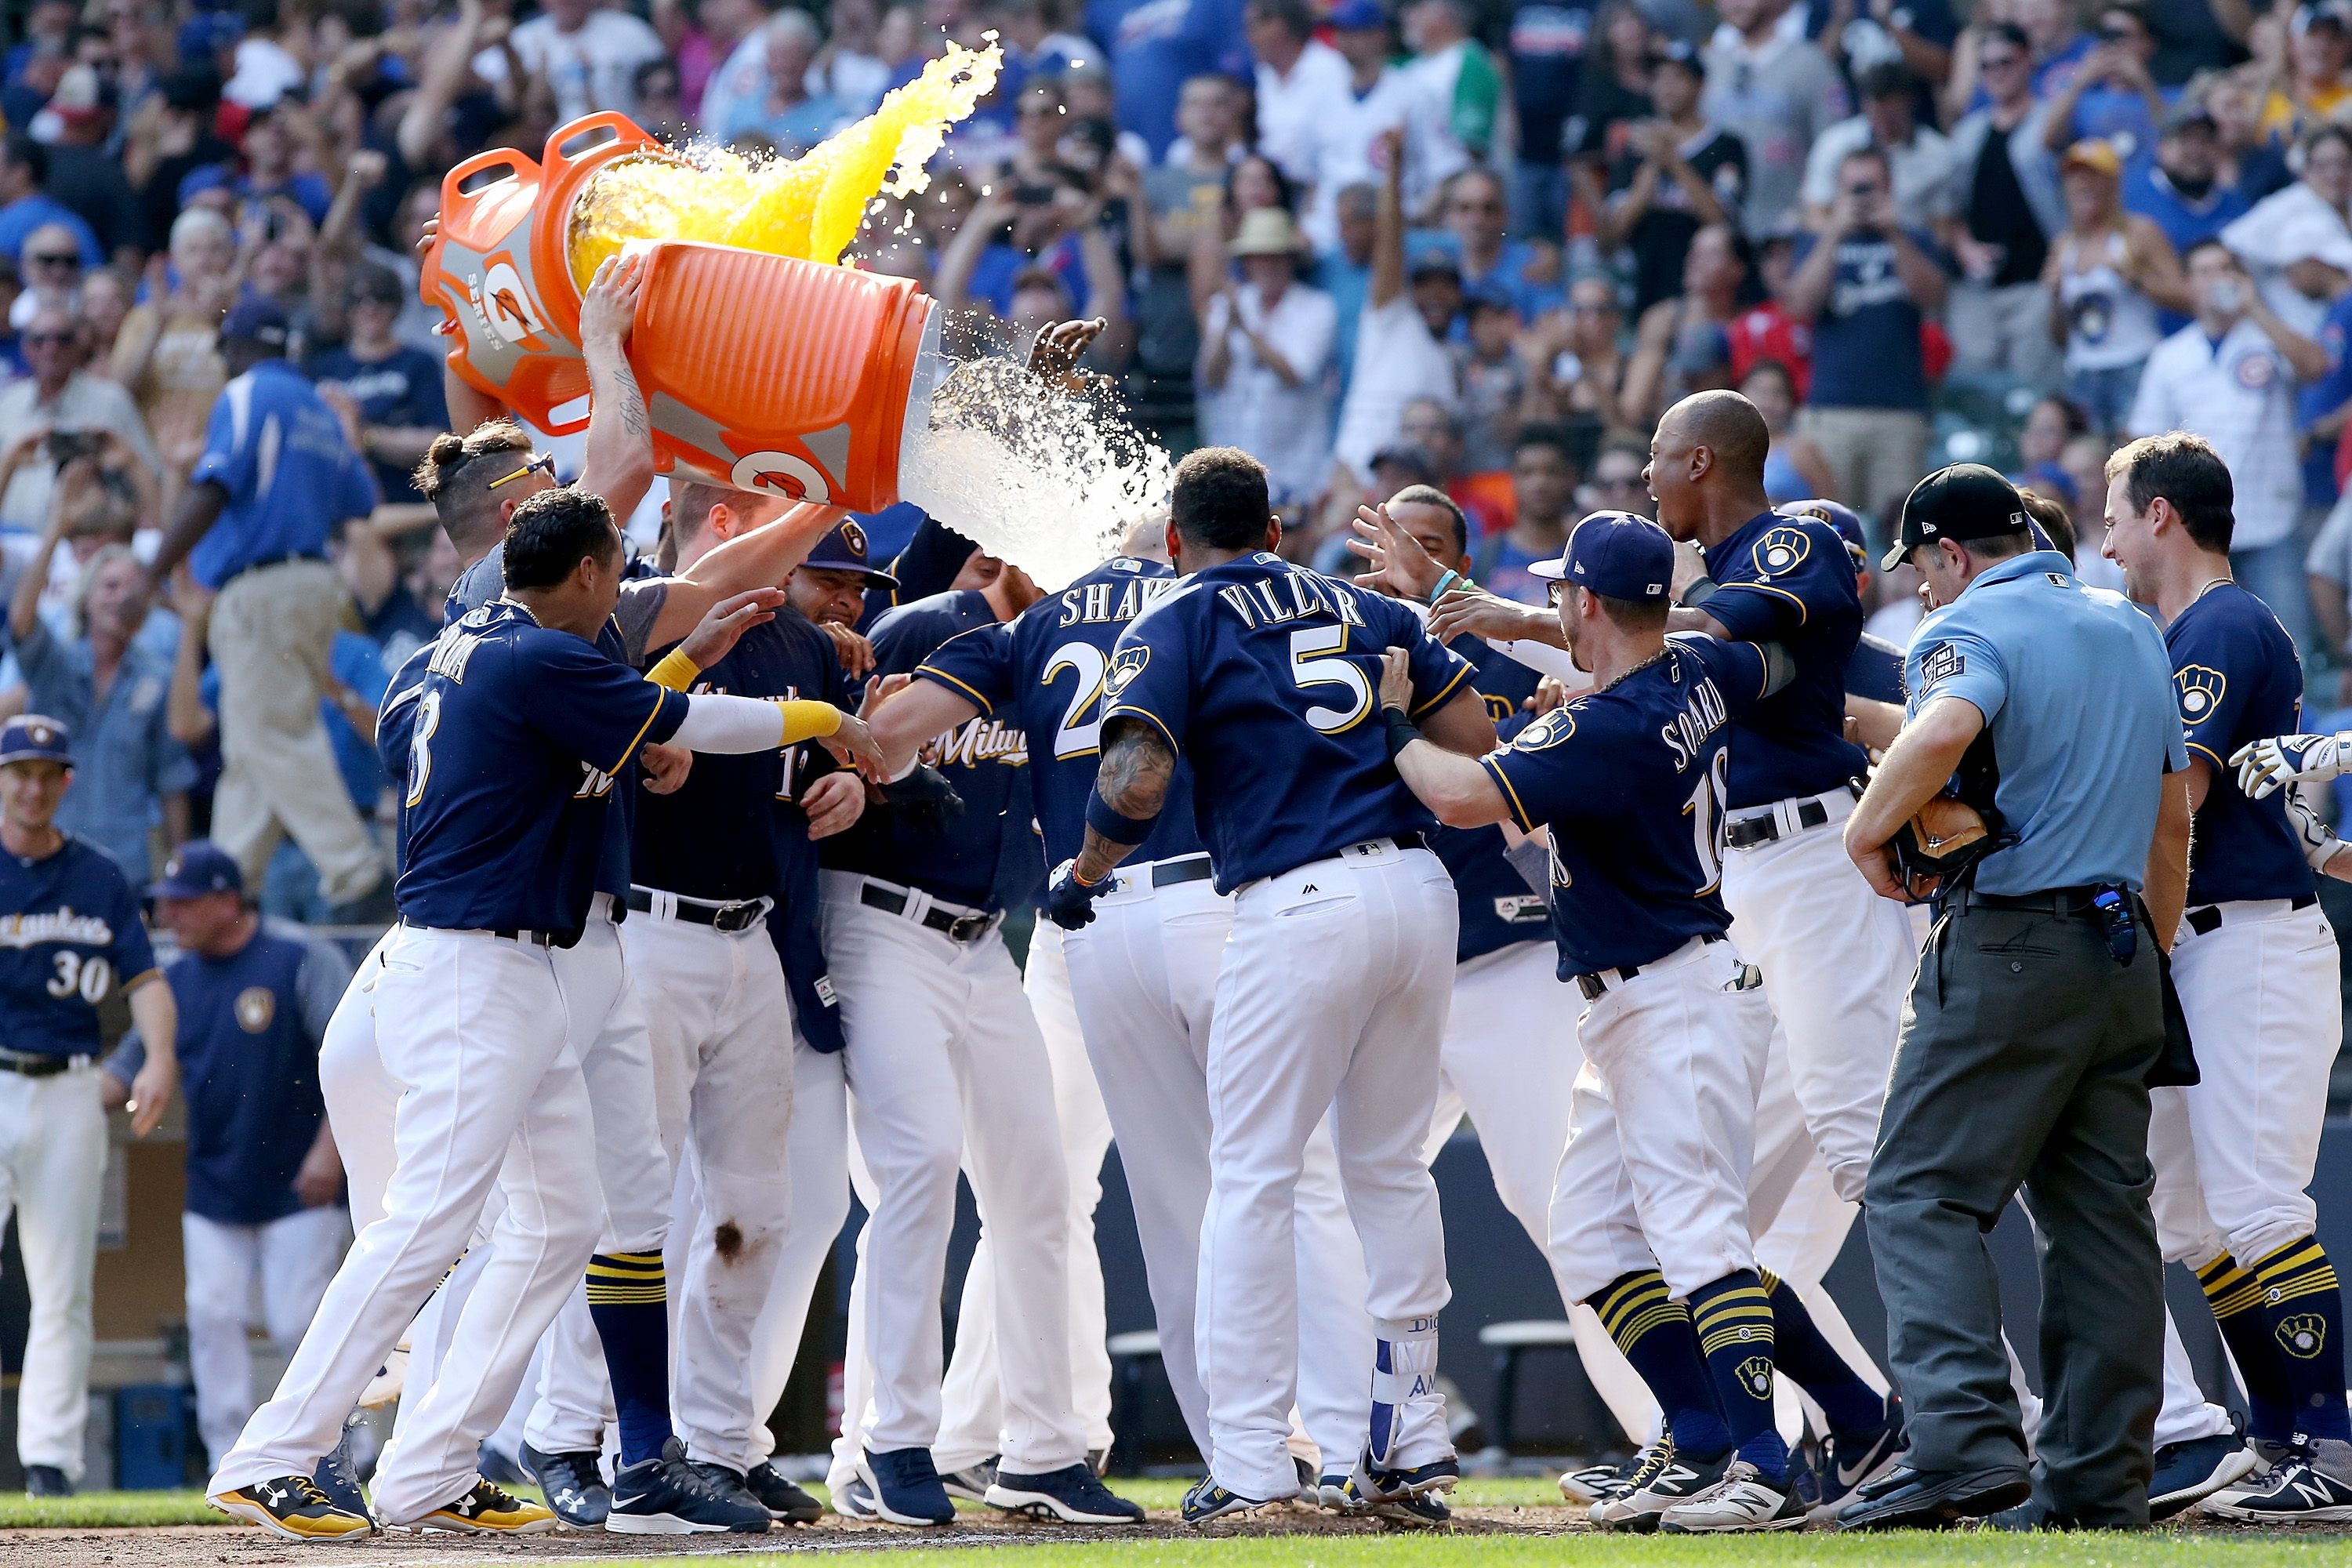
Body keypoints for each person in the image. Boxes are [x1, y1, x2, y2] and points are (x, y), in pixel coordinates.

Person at [203, 486, 880, 1541]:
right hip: (477, 967)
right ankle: (274, 1453)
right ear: (588, 575)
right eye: (613, 571)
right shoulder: (542, 657)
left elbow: (600, 723)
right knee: (427, 1225)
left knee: (566, 1215)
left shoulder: (451, 655)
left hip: (517, 967)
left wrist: (676, 665)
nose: (619, 591)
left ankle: (429, 1465)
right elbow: (684, 722)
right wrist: (826, 716)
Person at [862, 539, 1377, 1515]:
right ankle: (1350, 1440)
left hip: (1089, 920)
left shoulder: (1031, 623)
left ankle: (1242, 1454)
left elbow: (888, 734)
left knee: (1164, 1201)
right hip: (1229, 900)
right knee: (1291, 1180)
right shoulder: (1215, 605)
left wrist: (864, 729)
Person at [1053, 445, 1494, 1522]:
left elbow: (1137, 772)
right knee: (1389, 1173)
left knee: (1250, 1176)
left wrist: (1086, 871)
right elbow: (1476, 742)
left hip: (1296, 902)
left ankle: (1250, 1462)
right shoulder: (1366, 611)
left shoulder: (1174, 617)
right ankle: (1410, 1438)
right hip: (1417, 891)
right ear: (1275, 531)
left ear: (1175, 540)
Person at [1377, 510, 1806, 1531]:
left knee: (1699, 1234)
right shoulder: (1692, 672)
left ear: (1588, 603)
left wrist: (1392, 717)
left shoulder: (1603, 725)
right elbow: (1774, 663)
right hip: (1643, 992)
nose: (1559, 604)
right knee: (1590, 1238)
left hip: (1676, 992)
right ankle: (1698, 1440)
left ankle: (1762, 1461)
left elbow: (1463, 796)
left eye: (1565, 592)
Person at [1838, 462, 2189, 1531]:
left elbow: (1943, 729)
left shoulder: (1970, 625)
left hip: (2012, 941)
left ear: (1952, 553)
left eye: (1926, 569)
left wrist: (1864, 833)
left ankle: (1963, 1447)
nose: (1924, 592)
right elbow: (2174, 819)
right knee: (2100, 1219)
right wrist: (2144, 952)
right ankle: (2096, 1482)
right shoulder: (2126, 622)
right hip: (2122, 944)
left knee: (1916, 1189)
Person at [811, 526, 1118, 1528]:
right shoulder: (921, 630)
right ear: (1012, 551)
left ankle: (1040, 1450)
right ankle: (882, 1442)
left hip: (986, 945)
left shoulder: (1068, 652)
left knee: (1040, 1186)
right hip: (879, 919)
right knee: (915, 1172)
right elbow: (850, 755)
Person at [2100, 432, 2352, 1524]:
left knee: (2254, 1202)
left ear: (2161, 515)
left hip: (2247, 937)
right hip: (2201, 939)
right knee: (2192, 1217)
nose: (2104, 537)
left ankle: (2329, 1444)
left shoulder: (2221, 622)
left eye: (2113, 513)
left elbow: (2180, 797)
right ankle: (2279, 1432)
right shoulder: (2184, 629)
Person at [140, 296, 383, 916]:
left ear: (237, 350)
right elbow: (360, 500)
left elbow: (215, 484)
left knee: (273, 736)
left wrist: (155, 568)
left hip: (261, 587)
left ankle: (354, 871)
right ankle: (224, 881)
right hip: (314, 584)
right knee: (251, 745)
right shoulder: (317, 407)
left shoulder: (248, 392)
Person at [0, 712, 175, 1497]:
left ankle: (51, 1461)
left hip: (72, 1086)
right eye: (19, 773)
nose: (34, 786)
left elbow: (146, 981)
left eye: (47, 773)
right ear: (3, 781)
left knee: (63, 1286)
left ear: (66, 782)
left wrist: (159, 1055)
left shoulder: (98, 875)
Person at [136, 842, 351, 1469]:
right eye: (165, 906)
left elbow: (350, 1061)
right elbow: (130, 1067)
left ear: (228, 901)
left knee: (298, 1323)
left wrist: (330, 1153)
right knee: (211, 1318)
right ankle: (228, 1460)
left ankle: (341, 1452)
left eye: (183, 905)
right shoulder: (172, 980)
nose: (169, 919)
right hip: (215, 1186)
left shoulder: (298, 956)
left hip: (301, 1181)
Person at [2128, 238, 2329, 651]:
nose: (2215, 280)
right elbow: (2143, 444)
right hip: (2198, 527)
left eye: (2225, 269)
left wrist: (2254, 307)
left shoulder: (2270, 336)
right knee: (2205, 645)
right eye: (2204, 272)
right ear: (2189, 285)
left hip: (2272, 516)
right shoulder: (2170, 356)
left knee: (2290, 647)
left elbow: (2316, 368)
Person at [6, 464, 191, 886]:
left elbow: (172, 782)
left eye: (133, 590)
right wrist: (58, 528)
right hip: (45, 859)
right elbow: (21, 620)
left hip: (124, 869)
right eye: (109, 587)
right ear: (85, 598)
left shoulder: (156, 678)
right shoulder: (56, 663)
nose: (122, 599)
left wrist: (177, 878)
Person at [1784, 147, 1947, 542]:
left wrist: (1894, 232)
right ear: (1837, 191)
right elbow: (1799, 305)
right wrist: (1833, 234)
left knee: (1903, 535)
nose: (1861, 197)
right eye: (1852, 188)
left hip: (1900, 414)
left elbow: (1934, 296)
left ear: (1889, 188)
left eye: (1869, 187)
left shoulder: (1914, 237)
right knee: (1829, 533)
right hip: (1831, 411)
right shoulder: (1816, 240)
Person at [1334, 128, 1461, 485]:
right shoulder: (1393, 319)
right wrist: (1394, 169)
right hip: (1359, 480)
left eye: (1446, 286)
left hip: (1419, 492)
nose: (1436, 295)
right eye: (1424, 285)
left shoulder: (1456, 357)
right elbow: (1389, 245)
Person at [1944, 22, 2067, 387]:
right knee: (1975, 393)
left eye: (2005, 62)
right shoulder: (1968, 133)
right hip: (1979, 289)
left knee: (2036, 391)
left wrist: (2059, 263)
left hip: (2035, 284)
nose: (1996, 73)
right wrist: (1964, 247)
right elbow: (1950, 210)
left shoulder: (2051, 122)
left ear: (2028, 60)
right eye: (1986, 66)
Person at [2045, 139, 2189, 434]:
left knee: (2135, 456)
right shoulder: (2064, 245)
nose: (2083, 184)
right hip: (2084, 370)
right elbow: (2059, 336)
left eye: (2093, 175)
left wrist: (2136, 278)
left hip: (2134, 363)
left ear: (2112, 184)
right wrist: (2055, 297)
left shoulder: (2137, 234)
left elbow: (2185, 296)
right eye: (2075, 176)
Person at [1196, 208, 1337, 510]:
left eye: (1275, 256)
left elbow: (1296, 373)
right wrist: (1227, 330)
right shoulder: (1227, 305)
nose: (1267, 265)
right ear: (1247, 262)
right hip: (1231, 467)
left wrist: (1245, 329)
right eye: (1259, 256)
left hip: (1296, 469)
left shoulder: (1317, 308)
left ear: (1290, 260)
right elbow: (1210, 378)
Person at [1600, 42, 1746, 319]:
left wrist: (1674, 162)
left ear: (1700, 84)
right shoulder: (1635, 145)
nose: (1666, 87)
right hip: (1641, 286)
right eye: (1659, 78)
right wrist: (1654, 164)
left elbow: (1722, 220)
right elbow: (1611, 233)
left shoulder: (1727, 146)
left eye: (1677, 78)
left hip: (1704, 297)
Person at [0, 303, 162, 532]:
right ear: (26, 347)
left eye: (62, 339)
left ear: (79, 345)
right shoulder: (7, 403)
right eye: (40, 340)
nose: (51, 348)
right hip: (14, 545)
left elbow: (149, 475)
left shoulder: (111, 401)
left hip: (87, 545)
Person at [1700, 0, 1848, 235]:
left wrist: (1811, 209)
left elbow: (1836, 145)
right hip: (1721, 229)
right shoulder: (1708, 63)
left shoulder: (1810, 62)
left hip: (1790, 224)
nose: (1734, 4)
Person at [306, 263, 448, 505]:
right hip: (339, 500)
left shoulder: (419, 363)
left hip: (406, 499)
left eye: (381, 298)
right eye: (359, 299)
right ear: (347, 307)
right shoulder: (324, 367)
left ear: (396, 306)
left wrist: (367, 436)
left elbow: (437, 441)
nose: (370, 308)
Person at [2220, 123, 2352, 339]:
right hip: (2306, 329)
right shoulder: (2283, 206)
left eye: (2344, 164)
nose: (2335, 174)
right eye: (2323, 165)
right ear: (2306, 170)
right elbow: (2228, 247)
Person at [1802, 63, 1958, 237]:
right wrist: (1839, 225)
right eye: (1875, 108)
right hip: (1844, 249)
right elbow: (1814, 216)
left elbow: (1943, 233)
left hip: (1910, 250)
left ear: (1909, 102)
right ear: (1863, 103)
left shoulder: (1938, 154)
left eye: (1891, 112)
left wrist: (1898, 225)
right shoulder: (1834, 144)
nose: (1882, 119)